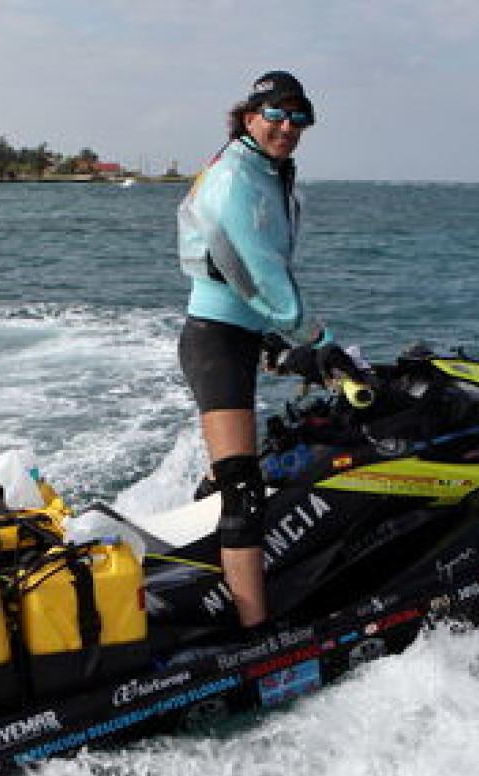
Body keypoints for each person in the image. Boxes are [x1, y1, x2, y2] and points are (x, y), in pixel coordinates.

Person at [176, 70, 325, 634]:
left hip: (240, 333)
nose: (287, 127)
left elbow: (265, 273)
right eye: (276, 115)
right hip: (214, 337)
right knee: (242, 488)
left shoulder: (273, 173)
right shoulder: (236, 177)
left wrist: (276, 338)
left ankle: (200, 584)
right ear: (248, 117)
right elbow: (257, 274)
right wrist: (314, 342)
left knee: (231, 476)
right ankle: (254, 632)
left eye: (299, 117)